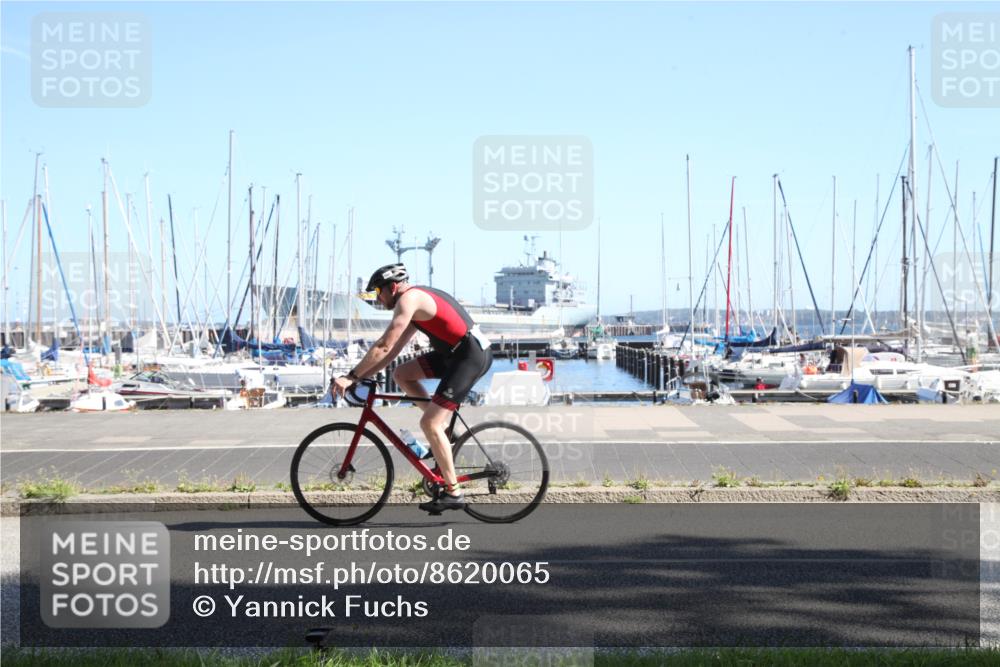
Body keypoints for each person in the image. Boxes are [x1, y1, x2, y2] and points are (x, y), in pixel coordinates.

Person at [330, 263, 493, 513]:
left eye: (378, 292)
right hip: (454, 354)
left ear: (393, 287)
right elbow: (392, 351)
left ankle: (454, 492)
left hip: (469, 357)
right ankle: (446, 431)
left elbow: (383, 345)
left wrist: (351, 377)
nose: (377, 298)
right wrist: (361, 377)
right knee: (402, 374)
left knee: (429, 424)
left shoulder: (409, 300)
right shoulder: (414, 303)